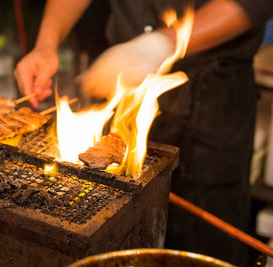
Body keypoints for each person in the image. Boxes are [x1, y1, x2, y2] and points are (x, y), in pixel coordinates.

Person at [14, 0, 273, 266]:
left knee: (204, 243)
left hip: (212, 90)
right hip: (125, 77)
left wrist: (160, 45)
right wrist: (47, 42)